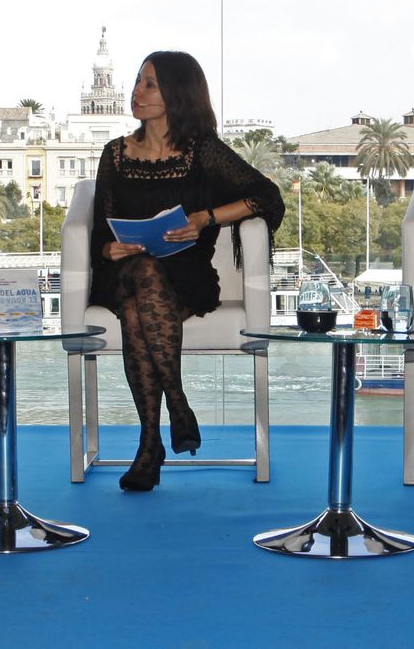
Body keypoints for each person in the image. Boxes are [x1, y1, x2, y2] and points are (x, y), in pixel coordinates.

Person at [89, 50, 284, 491]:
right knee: (141, 272)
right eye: (138, 82)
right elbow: (100, 227)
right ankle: (177, 405)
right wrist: (109, 245)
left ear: (177, 92)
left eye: (149, 84)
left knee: (139, 310)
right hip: (121, 272)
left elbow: (266, 196)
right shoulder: (114, 154)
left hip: (186, 274)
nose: (136, 92)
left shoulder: (202, 151)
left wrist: (205, 218)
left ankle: (150, 442)